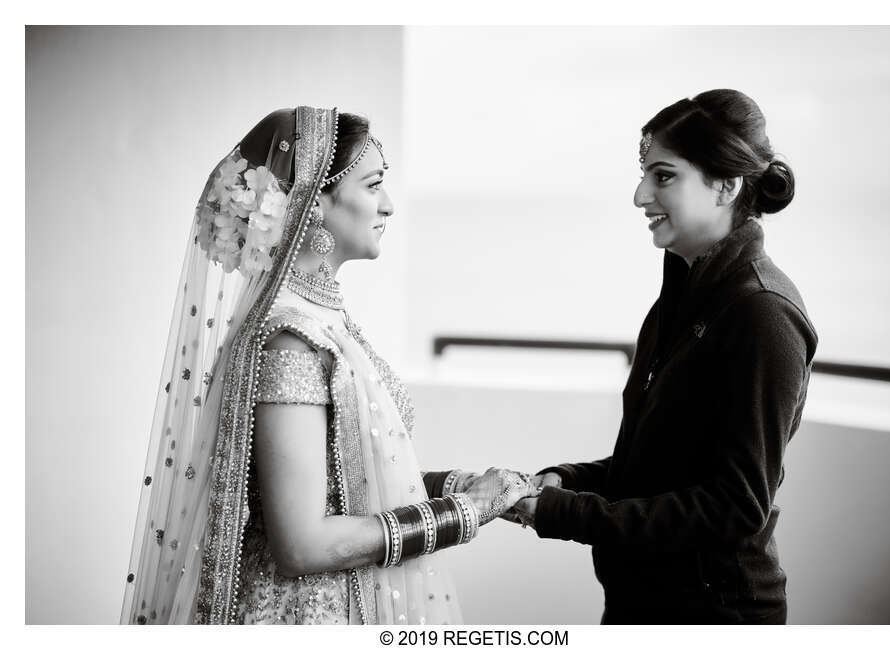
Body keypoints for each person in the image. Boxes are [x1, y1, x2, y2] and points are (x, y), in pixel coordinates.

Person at [121, 107, 536, 625]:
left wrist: (464, 486)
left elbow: (349, 482)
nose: (388, 205)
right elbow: (303, 544)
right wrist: (464, 513)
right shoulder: (292, 340)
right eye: (373, 185)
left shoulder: (322, 318)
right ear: (314, 200)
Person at [510, 90, 818, 624]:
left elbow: (735, 505)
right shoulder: (679, 299)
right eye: (644, 174)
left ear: (726, 185)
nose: (639, 195)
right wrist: (567, 480)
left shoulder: (763, 313)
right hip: (640, 602)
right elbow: (658, 467)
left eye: (663, 176)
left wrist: (571, 515)